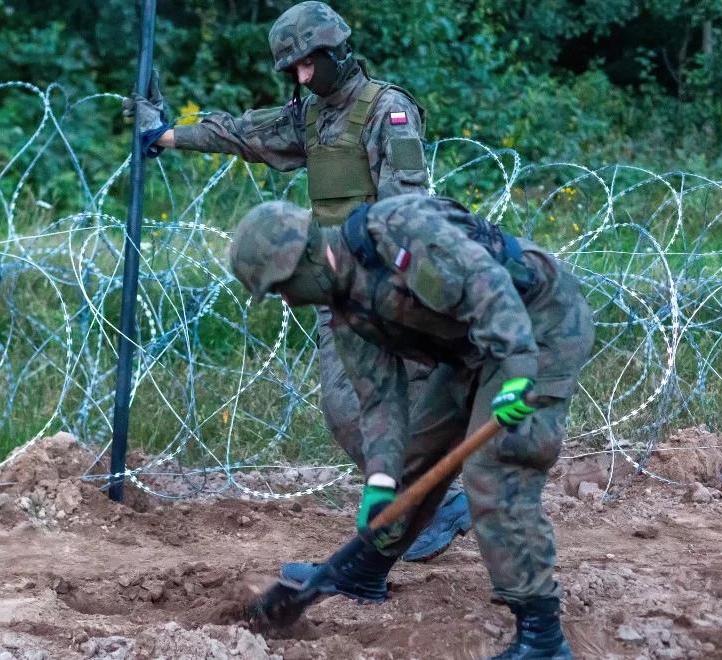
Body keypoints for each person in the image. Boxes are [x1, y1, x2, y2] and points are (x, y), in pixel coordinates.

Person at [123, 0, 473, 569]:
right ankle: (436, 504)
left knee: (403, 406)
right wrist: (166, 135)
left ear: (335, 52)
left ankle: (437, 507)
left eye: (308, 66)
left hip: (390, 288)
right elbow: (242, 133)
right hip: (335, 288)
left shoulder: (388, 110)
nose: (302, 78)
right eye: (294, 72)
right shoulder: (310, 117)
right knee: (346, 407)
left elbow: (408, 209)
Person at [228, 193, 594, 660]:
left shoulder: (398, 230)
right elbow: (381, 401)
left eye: (282, 286)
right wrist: (379, 486)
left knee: (495, 468)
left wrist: (519, 372)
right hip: (473, 348)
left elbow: (489, 286)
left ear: (307, 258)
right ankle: (366, 569)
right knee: (416, 456)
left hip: (536, 328)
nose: (286, 299)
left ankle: (542, 635)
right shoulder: (348, 314)